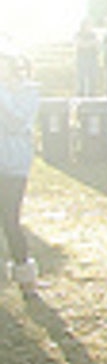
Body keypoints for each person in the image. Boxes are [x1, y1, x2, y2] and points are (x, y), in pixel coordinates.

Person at [0, 52, 39, 294]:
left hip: (15, 164)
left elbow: (16, 122)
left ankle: (25, 276)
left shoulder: (28, 93)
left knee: (10, 219)